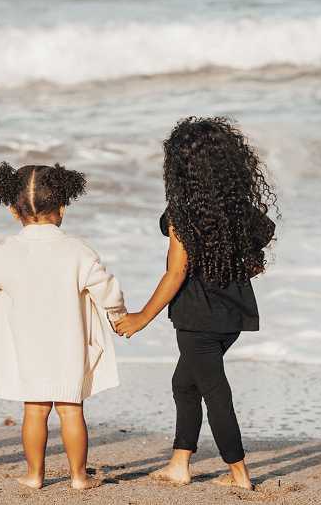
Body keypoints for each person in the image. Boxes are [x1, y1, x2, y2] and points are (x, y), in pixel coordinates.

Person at [113, 117, 278, 491]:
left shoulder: (183, 214)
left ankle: (239, 474)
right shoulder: (238, 209)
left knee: (214, 391)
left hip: (195, 317)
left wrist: (140, 318)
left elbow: (176, 273)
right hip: (232, 314)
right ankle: (179, 463)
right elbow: (263, 235)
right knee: (185, 384)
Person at [0, 163, 125, 491]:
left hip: (27, 346)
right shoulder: (78, 251)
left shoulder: (8, 253)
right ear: (62, 208)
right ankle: (78, 476)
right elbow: (108, 289)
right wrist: (119, 315)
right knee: (72, 410)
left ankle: (34, 475)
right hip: (69, 345)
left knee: (35, 411)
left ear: (14, 212)